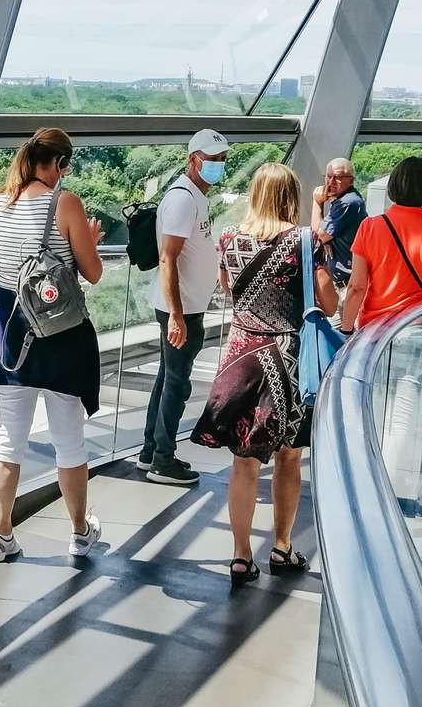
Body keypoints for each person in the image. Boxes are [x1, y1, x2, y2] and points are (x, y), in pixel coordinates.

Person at [190, 165, 338, 585]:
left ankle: (240, 556)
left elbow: (229, 289)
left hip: (241, 356)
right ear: (291, 196)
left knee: (243, 460)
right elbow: (327, 303)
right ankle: (282, 547)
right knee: (290, 454)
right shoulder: (304, 242)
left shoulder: (229, 239)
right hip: (287, 361)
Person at [0, 128, 105, 562]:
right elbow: (92, 272)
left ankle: (1, 535)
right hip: (60, 337)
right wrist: (90, 240)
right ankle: (80, 532)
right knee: (69, 437)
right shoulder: (64, 203)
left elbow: (15, 268)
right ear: (61, 165)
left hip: (10, 334)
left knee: (8, 436)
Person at [138, 129, 229, 486]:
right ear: (194, 160)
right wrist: (176, 315)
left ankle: (150, 451)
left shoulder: (196, 196)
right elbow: (168, 258)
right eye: (212, 159)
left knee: (168, 379)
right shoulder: (182, 199)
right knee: (177, 384)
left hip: (188, 305)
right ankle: (163, 459)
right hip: (181, 308)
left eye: (222, 159)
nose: (218, 165)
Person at [339, 155, 422, 333]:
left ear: (393, 185)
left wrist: (346, 329)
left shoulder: (369, 227)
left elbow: (357, 286)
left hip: (374, 328)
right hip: (418, 327)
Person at [311, 157, 365, 285]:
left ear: (351, 180)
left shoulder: (347, 203)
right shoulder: (344, 200)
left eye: (338, 177)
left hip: (347, 283)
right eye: (328, 177)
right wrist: (327, 241)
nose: (331, 182)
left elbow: (316, 236)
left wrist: (317, 203)